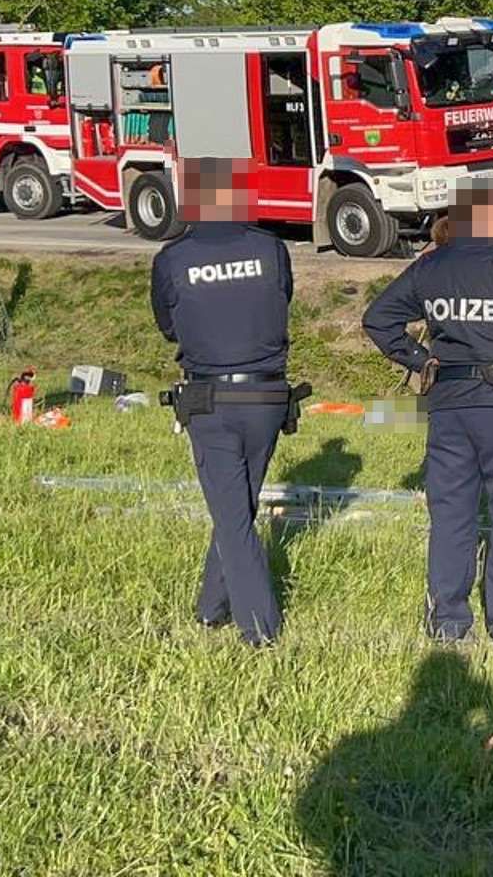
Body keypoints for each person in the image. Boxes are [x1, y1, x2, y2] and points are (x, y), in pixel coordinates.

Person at [363, 175, 493, 646]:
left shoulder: (430, 266)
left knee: (451, 514)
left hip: (448, 405)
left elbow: (378, 319)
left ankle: (449, 623)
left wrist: (419, 360)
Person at [151, 157, 299, 648]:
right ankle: (211, 607)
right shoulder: (271, 248)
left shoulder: (173, 259)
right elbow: (283, 299)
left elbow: (167, 325)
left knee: (233, 517)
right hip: (267, 395)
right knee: (237, 508)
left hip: (211, 399)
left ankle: (260, 631)